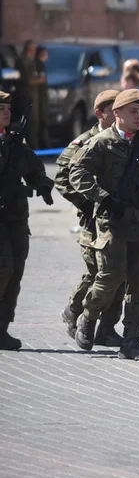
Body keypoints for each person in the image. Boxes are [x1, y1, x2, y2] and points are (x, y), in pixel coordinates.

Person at [68, 89, 139, 360]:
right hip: (112, 222)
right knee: (110, 278)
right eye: (133, 111)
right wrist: (102, 197)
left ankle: (132, 340)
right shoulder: (101, 143)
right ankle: (88, 316)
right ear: (116, 113)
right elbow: (77, 172)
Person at [56, 90, 124, 346]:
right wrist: (87, 203)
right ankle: (75, 310)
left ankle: (107, 327)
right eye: (113, 108)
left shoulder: (125, 141)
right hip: (93, 221)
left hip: (119, 220)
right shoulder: (85, 142)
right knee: (98, 272)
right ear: (101, 113)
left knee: (120, 274)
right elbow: (63, 178)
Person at [0, 90, 55, 350]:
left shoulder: (16, 145)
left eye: (8, 108)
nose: (6, 113)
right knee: (3, 268)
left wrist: (42, 186)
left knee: (15, 274)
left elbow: (36, 172)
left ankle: (2, 328)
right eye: (1, 109)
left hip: (16, 219)